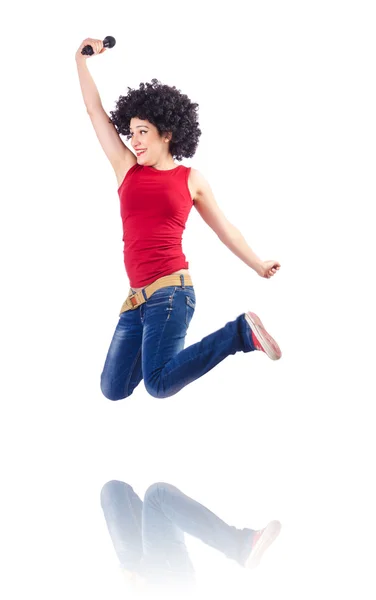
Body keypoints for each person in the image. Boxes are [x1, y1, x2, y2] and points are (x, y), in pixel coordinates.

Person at [75, 38, 282, 401]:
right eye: (131, 132)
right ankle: (172, 354)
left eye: (143, 133)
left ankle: (238, 334)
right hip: (136, 300)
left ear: (166, 134)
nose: (134, 141)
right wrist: (80, 61)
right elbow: (95, 112)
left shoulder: (190, 179)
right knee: (114, 388)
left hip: (172, 291)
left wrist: (257, 264)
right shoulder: (126, 169)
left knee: (157, 383)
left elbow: (225, 229)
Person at [100, 480, 282, 597]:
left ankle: (133, 572)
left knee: (113, 489)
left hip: (141, 573)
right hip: (167, 579)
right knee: (157, 494)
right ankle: (241, 547)